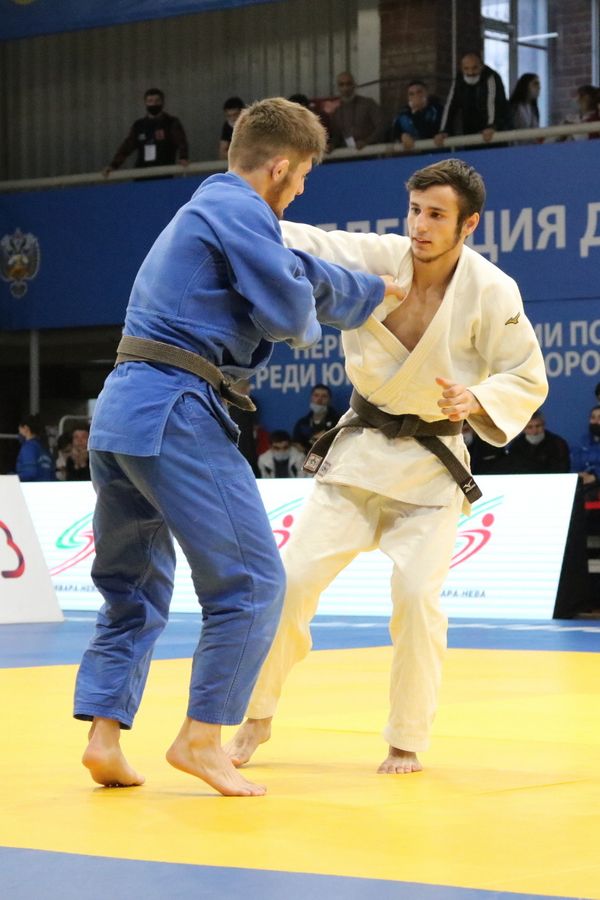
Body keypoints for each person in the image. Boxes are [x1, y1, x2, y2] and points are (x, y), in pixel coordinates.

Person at [73, 97, 405, 797]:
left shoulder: (214, 215)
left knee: (133, 584)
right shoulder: (236, 207)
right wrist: (356, 298)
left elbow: (300, 274)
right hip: (175, 407)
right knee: (253, 583)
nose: (303, 190)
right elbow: (288, 305)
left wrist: (373, 291)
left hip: (121, 412)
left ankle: (104, 736)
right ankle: (201, 737)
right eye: (303, 176)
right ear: (279, 167)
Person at [226, 158, 548, 776]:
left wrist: (478, 398)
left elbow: (527, 375)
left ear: (469, 224)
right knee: (291, 583)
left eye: (437, 215)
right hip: (359, 455)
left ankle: (406, 738)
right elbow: (306, 239)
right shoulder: (380, 257)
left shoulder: (492, 290)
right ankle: (257, 716)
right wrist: (236, 206)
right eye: (415, 211)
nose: (420, 226)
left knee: (418, 600)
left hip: (430, 469)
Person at [104, 88, 189, 175]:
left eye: (157, 101)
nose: (154, 104)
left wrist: (183, 157)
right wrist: (113, 165)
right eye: (150, 101)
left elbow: (181, 142)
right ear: (145, 103)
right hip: (142, 173)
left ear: (162, 102)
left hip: (164, 172)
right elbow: (126, 147)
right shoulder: (139, 125)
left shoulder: (171, 122)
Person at [435, 52, 510, 148]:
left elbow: (493, 103)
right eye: (466, 69)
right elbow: (450, 105)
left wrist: (491, 126)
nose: (470, 73)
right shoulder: (459, 79)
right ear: (462, 69)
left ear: (481, 67)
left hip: (494, 136)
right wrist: (443, 131)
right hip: (470, 134)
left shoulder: (491, 77)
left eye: (474, 68)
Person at [328, 72, 385, 151]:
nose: (345, 88)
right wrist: (332, 145)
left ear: (354, 85)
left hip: (369, 152)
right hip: (346, 154)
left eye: (348, 84)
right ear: (338, 88)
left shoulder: (368, 104)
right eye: (342, 85)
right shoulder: (336, 111)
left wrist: (367, 142)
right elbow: (337, 136)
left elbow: (382, 126)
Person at [504, 411, 570, 474]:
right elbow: (513, 469)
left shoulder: (558, 443)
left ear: (543, 425)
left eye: (538, 426)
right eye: (529, 427)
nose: (535, 431)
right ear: (523, 429)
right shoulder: (516, 445)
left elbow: (562, 469)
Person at [391, 80, 443, 151]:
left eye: (419, 92)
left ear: (427, 93)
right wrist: (401, 136)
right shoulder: (403, 114)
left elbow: (429, 134)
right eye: (411, 94)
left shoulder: (437, 109)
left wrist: (416, 112)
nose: (416, 96)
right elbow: (392, 134)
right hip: (411, 154)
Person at [292, 384, 340, 452]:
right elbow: (296, 444)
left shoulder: (338, 421)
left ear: (329, 399)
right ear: (311, 398)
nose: (319, 399)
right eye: (316, 395)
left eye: (324, 396)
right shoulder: (302, 423)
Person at [571, 405, 600, 500]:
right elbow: (574, 463)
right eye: (593, 417)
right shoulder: (581, 441)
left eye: (599, 418)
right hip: (583, 484)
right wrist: (579, 475)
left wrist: (595, 476)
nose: (596, 421)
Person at [15, 414, 55, 482]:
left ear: (26, 428)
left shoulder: (28, 447)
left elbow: (29, 473)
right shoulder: (44, 448)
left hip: (31, 487)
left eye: (20, 430)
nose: (19, 434)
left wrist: (12, 477)